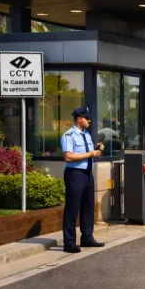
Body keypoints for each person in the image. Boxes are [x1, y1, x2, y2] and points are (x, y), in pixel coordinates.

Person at [60, 107, 105, 254]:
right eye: (87, 118)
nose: (89, 120)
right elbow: (68, 156)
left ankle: (87, 237)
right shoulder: (69, 135)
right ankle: (69, 242)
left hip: (87, 174)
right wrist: (90, 154)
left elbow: (88, 153)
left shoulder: (86, 135)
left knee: (88, 207)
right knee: (72, 208)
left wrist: (97, 149)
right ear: (79, 118)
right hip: (75, 174)